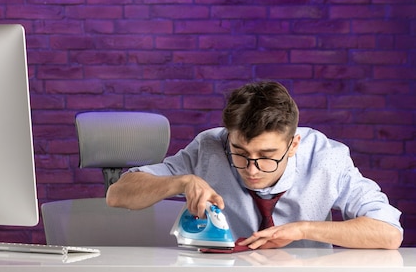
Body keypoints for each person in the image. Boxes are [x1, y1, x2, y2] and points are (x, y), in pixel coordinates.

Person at [106, 81, 403, 250]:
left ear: (293, 145)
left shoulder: (326, 158)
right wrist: (181, 182)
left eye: (267, 155)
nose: (252, 168)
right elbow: (117, 194)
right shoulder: (209, 146)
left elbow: (389, 232)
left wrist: (302, 230)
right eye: (240, 152)